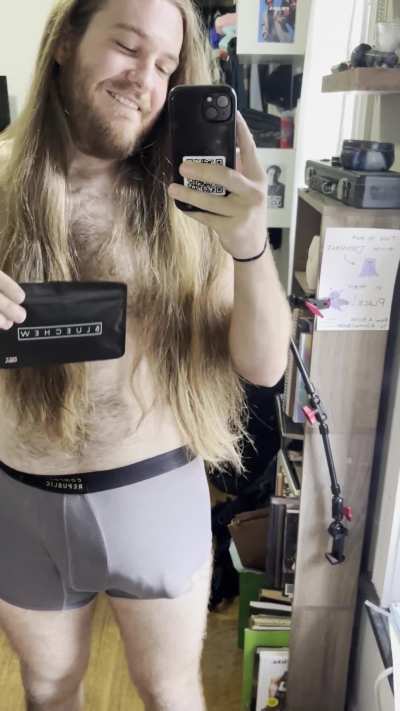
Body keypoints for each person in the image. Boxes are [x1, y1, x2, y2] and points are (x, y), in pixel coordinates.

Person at [0, 0, 291, 709]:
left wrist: (250, 246)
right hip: (19, 501)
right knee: (46, 687)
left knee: (169, 691)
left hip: (152, 494)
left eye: (165, 65)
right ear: (65, 41)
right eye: (128, 48)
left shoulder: (191, 200)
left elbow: (264, 367)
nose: (145, 79)